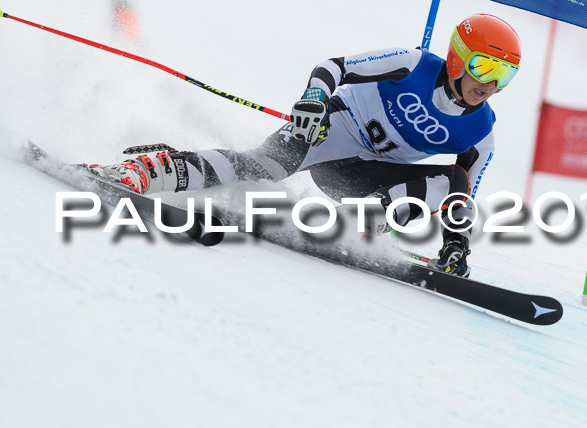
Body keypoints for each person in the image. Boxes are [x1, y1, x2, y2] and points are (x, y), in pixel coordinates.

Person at [90, 14, 522, 277]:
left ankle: (360, 225)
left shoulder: (482, 132)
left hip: (368, 181)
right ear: (457, 57)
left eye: (504, 75)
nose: (489, 84)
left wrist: (455, 247)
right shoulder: (412, 64)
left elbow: (462, 199)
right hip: (332, 131)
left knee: (453, 180)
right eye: (484, 66)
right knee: (265, 166)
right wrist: (314, 98)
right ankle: (150, 170)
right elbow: (334, 67)